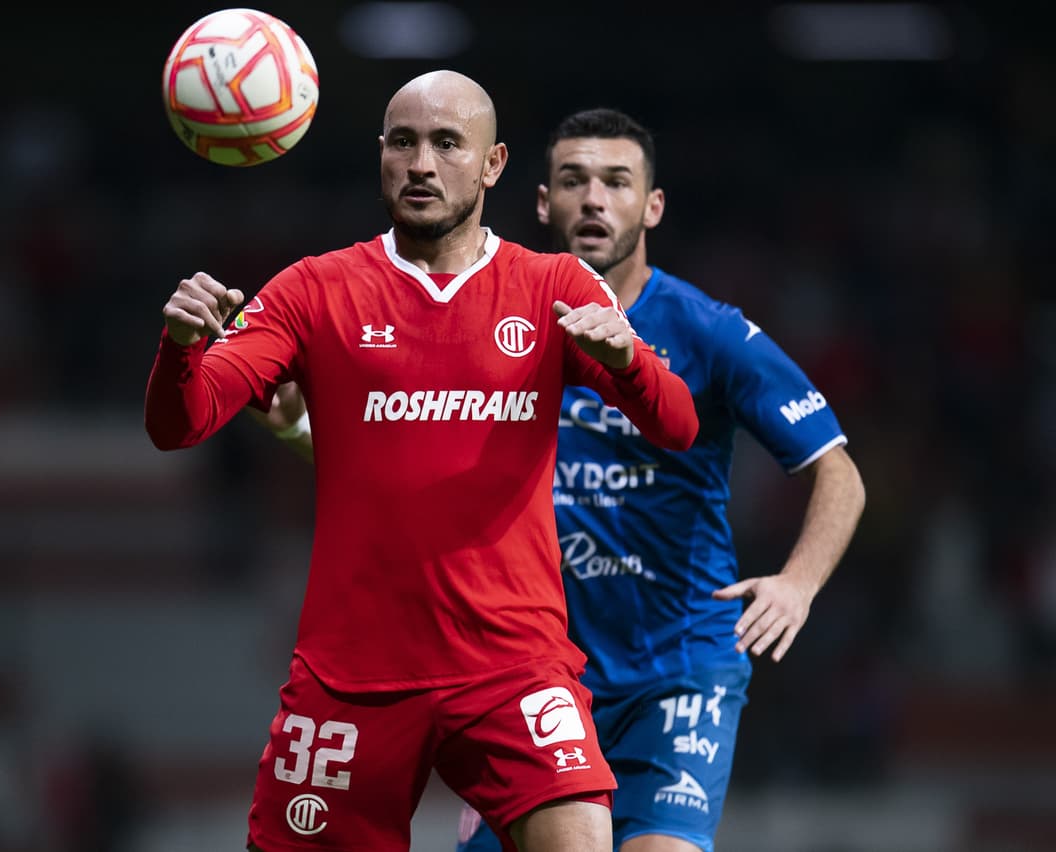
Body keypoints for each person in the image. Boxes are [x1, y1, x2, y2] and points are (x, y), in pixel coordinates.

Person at [144, 74, 698, 852]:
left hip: (513, 667)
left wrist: (628, 362)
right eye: (402, 142)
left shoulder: (554, 287)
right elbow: (183, 422)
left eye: (447, 143)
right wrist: (180, 348)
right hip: (352, 678)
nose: (421, 164)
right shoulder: (314, 290)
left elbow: (678, 425)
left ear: (493, 164)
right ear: (381, 155)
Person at [447, 110, 865, 852]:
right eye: (574, 180)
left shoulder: (708, 330)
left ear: (653, 206)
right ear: (543, 202)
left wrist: (797, 583)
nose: (594, 199)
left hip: (678, 666)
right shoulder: (491, 324)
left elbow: (838, 471)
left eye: (617, 182)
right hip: (535, 674)